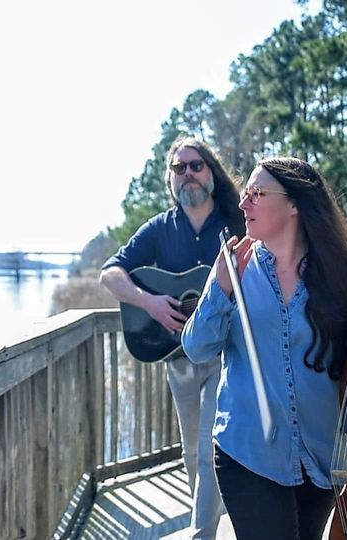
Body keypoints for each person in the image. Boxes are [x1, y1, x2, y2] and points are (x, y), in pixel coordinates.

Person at [180, 156, 347, 540]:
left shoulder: (345, 272)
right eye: (246, 193)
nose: (242, 203)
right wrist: (220, 291)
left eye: (256, 193)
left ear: (295, 204)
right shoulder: (234, 267)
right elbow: (196, 348)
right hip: (248, 453)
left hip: (322, 457)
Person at [100, 135, 244, 539]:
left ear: (211, 171)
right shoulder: (160, 229)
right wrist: (149, 303)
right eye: (178, 168)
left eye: (195, 165)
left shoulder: (235, 225)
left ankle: (202, 534)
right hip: (176, 357)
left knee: (208, 449)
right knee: (190, 451)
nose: (187, 174)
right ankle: (207, 521)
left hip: (224, 355)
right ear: (171, 179)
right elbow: (110, 273)